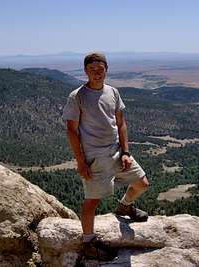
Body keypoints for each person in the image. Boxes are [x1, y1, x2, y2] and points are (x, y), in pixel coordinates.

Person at [63, 52, 149, 261]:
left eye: (100, 69)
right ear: (86, 71)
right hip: (95, 157)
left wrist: (126, 152)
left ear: (106, 69)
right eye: (92, 69)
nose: (97, 73)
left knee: (142, 183)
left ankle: (125, 205)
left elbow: (121, 123)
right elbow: (72, 131)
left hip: (117, 152)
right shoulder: (78, 96)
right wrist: (81, 162)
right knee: (92, 201)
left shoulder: (113, 92)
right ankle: (88, 242)